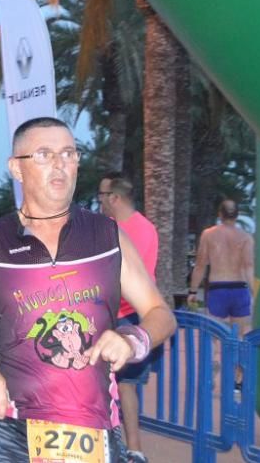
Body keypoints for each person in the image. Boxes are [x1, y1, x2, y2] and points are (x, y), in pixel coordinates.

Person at [0, 117, 175, 463]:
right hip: (11, 425)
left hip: (90, 425)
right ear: (17, 168)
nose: (60, 164)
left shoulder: (107, 237)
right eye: (44, 155)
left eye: (68, 153)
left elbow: (161, 314)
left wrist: (132, 339)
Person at [99, 172, 160, 463]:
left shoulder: (128, 230)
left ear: (115, 198)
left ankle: (133, 449)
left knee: (125, 385)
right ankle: (128, 447)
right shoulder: (141, 227)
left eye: (101, 195)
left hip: (127, 315)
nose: (98, 201)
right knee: (121, 386)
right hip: (118, 314)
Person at [189, 200, 256, 334]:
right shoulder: (246, 237)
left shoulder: (208, 234)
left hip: (217, 290)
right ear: (237, 215)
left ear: (220, 214)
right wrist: (255, 293)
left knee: (212, 337)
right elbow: (249, 266)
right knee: (239, 338)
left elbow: (200, 264)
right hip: (240, 290)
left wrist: (193, 291)